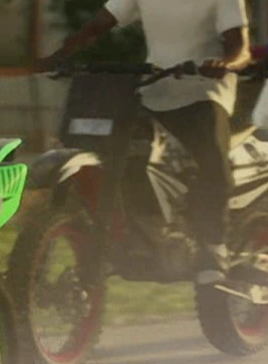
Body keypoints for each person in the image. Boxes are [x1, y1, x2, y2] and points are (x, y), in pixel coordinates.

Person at [41, 0, 252, 285]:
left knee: (213, 163)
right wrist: (58, 56)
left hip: (204, 92)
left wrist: (225, 64)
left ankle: (214, 247)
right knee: (126, 156)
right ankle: (141, 233)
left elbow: (241, 50)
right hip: (154, 89)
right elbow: (96, 27)